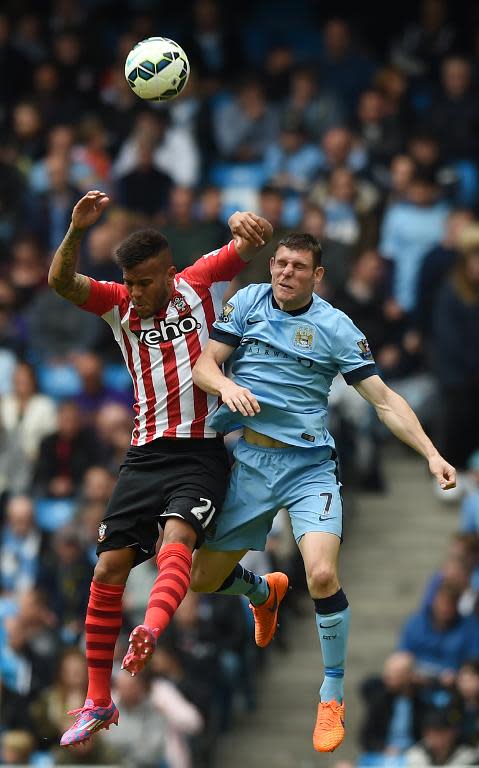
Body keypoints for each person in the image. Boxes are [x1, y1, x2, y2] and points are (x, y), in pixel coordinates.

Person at [190, 232, 456, 753]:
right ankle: (263, 594)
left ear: (318, 276)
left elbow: (383, 401)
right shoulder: (246, 302)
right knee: (201, 581)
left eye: (299, 266)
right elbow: (204, 364)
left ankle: (331, 694)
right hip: (250, 462)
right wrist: (225, 386)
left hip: (309, 467)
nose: (286, 272)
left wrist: (431, 453)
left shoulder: (336, 328)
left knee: (322, 573)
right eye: (281, 263)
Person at [48, 190, 274, 746]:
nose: (137, 293)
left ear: (169, 273)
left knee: (178, 542)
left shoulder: (199, 282)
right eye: (130, 282)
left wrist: (241, 220)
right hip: (144, 454)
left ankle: (149, 629)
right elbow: (61, 282)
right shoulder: (117, 304)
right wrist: (77, 231)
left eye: (146, 282)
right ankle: (97, 701)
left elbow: (251, 242)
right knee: (106, 572)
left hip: (200, 451)